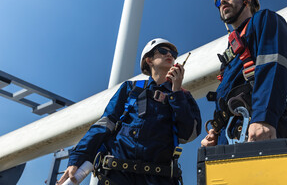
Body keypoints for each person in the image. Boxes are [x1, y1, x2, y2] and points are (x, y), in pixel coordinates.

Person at [58, 38, 202, 185]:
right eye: (163, 51)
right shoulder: (131, 88)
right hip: (116, 177)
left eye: (173, 53)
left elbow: (189, 134)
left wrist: (176, 92)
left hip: (158, 179)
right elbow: (105, 123)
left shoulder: (183, 96)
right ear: (149, 60)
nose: (169, 55)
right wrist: (78, 158)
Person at [201, 0, 287, 147]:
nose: (222, 1)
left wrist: (264, 118)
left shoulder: (264, 20)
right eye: (218, 1)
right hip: (229, 138)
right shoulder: (229, 52)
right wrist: (215, 133)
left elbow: (273, 66)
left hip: (259, 129)